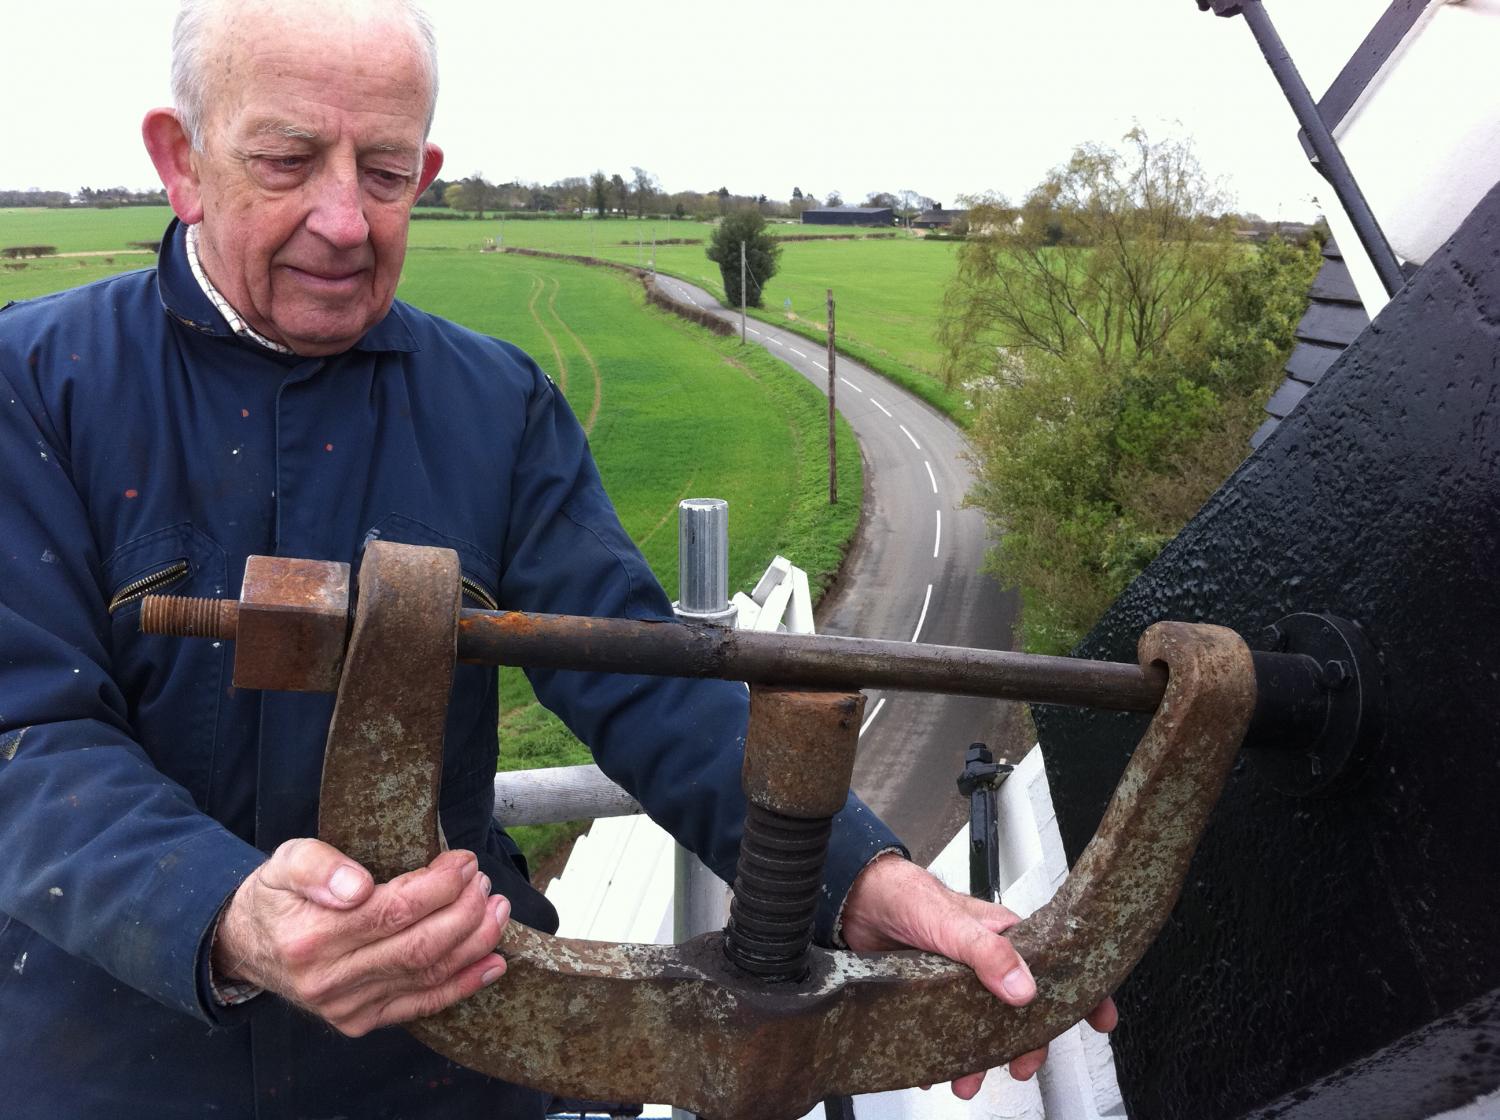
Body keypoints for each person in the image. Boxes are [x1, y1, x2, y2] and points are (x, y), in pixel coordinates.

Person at [0, 1, 1113, 1116]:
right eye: (288, 162)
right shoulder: (34, 386)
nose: (344, 220)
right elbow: (25, 733)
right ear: (180, 162)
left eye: (385, 172)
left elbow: (642, 682)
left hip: (446, 1073)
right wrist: (225, 909)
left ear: (424, 170)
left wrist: (862, 878)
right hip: (109, 1073)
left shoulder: (495, 406)